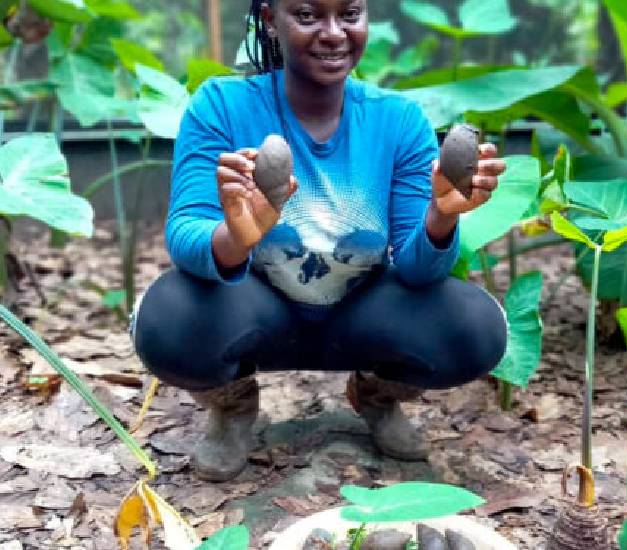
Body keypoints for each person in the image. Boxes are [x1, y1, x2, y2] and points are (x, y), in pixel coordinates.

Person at [132, 0, 508, 482]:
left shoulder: (398, 120)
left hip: (361, 314)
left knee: (475, 327)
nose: (333, 33)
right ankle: (232, 408)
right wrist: (236, 236)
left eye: (349, 14)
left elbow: (419, 272)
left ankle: (377, 393)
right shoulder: (222, 106)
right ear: (270, 20)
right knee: (169, 319)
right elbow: (185, 232)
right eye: (308, 16)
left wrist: (440, 217)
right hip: (254, 311)